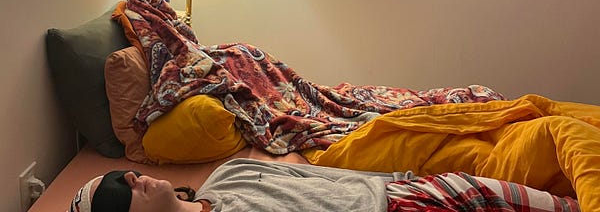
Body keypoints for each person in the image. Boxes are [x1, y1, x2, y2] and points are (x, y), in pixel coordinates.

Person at [70, 158, 579, 212]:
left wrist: (401, 180)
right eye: (117, 193)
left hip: (404, 195)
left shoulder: (229, 173)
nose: (131, 176)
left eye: (121, 175)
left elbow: (318, 174)